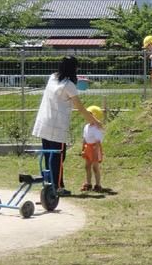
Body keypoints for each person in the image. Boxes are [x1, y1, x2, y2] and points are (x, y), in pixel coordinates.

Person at [31, 55, 102, 197]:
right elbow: (81, 108)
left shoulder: (52, 77)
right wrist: (95, 121)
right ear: (73, 69)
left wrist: (79, 80)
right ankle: (57, 188)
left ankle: (50, 185)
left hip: (44, 123)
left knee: (48, 155)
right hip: (57, 127)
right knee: (58, 157)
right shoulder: (69, 85)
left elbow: (64, 85)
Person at [80, 105, 105, 192]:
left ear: (95, 117)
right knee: (87, 166)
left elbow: (98, 141)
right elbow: (84, 139)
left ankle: (98, 185)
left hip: (95, 148)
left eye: (89, 115)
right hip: (88, 148)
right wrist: (83, 149)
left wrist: (95, 152)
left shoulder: (96, 128)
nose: (86, 117)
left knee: (95, 167)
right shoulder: (86, 126)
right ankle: (88, 183)